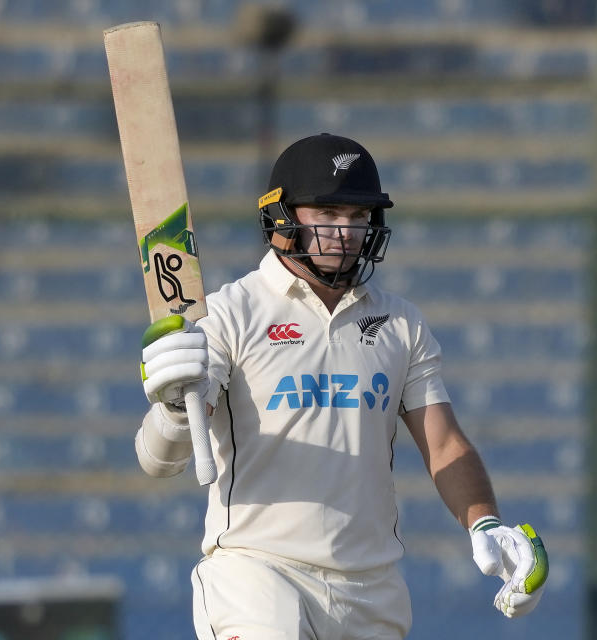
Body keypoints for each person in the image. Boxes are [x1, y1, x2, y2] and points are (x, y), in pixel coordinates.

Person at [135, 133, 548, 639]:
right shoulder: (228, 314)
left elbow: (443, 444)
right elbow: (159, 461)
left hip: (372, 588)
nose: (345, 232)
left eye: (358, 216)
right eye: (327, 212)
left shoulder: (400, 324)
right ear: (281, 216)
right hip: (259, 572)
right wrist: (176, 408)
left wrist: (485, 522)